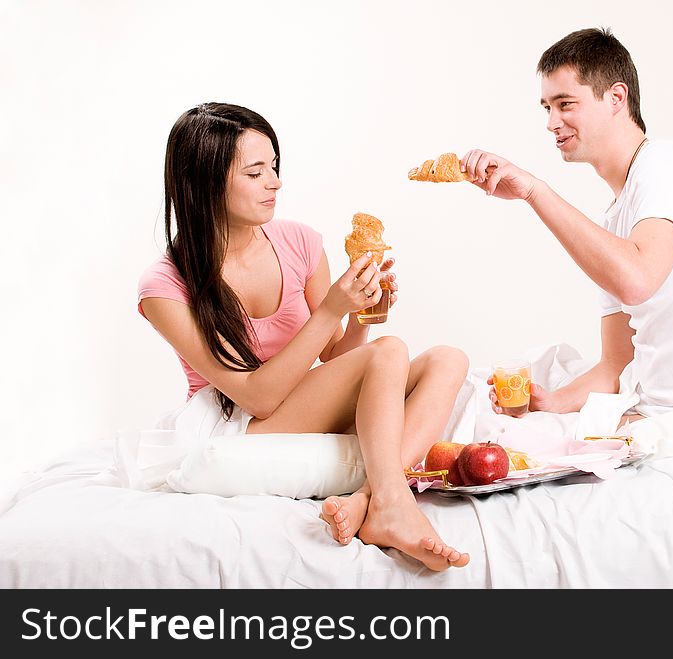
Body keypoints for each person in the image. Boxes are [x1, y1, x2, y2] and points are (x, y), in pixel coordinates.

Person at [138, 102, 469, 571]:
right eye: (255, 172)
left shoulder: (299, 243)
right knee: (390, 352)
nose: (274, 182)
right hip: (237, 421)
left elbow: (335, 357)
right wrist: (333, 307)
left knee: (447, 359)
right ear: (204, 182)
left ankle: (366, 500)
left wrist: (360, 318)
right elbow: (258, 397)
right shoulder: (165, 286)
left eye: (274, 167)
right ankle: (394, 502)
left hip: (304, 400)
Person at [462, 28, 673, 429]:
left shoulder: (668, 165)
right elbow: (615, 365)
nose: (552, 122)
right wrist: (550, 404)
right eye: (546, 108)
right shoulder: (616, 219)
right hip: (650, 410)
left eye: (565, 104)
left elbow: (636, 280)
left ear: (616, 98)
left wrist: (534, 191)